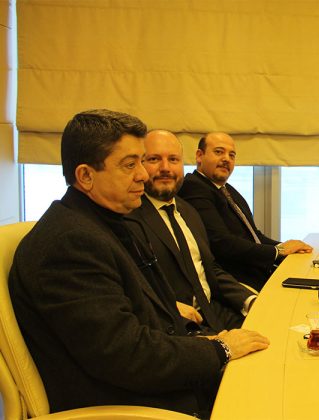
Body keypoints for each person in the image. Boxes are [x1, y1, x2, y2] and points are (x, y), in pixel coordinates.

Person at [8, 110, 269, 417]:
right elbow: (126, 357)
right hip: (127, 404)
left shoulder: (107, 223)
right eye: (130, 164)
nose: (144, 175)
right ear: (86, 176)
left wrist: (210, 341)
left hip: (156, 381)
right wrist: (221, 349)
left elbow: (146, 322)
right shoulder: (70, 243)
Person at [127, 129, 256, 332]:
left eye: (173, 159)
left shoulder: (188, 211)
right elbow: (133, 288)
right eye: (154, 159)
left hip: (214, 312)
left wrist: (249, 300)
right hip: (179, 325)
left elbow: (209, 269)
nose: (165, 168)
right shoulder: (129, 218)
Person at [178, 132, 312, 291]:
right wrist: (278, 251)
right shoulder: (193, 187)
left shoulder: (226, 189)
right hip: (236, 281)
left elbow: (254, 235)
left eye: (232, 155)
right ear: (199, 156)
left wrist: (286, 247)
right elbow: (221, 243)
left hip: (258, 270)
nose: (227, 159)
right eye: (219, 152)